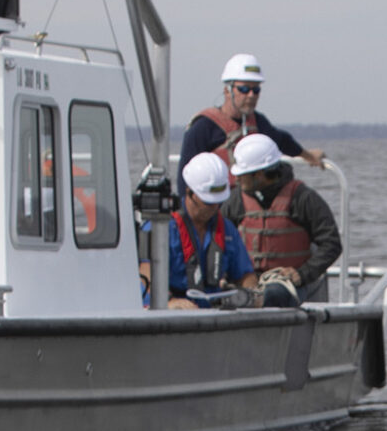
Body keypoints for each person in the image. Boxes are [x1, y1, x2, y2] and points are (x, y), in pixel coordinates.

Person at [143, 152, 292, 310]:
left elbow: (244, 275)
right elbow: (145, 275)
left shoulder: (227, 230)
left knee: (277, 295)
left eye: (218, 203)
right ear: (189, 192)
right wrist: (170, 303)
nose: (214, 208)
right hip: (173, 310)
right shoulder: (160, 228)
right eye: (207, 202)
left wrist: (251, 295)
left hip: (213, 309)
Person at [225, 133, 342, 301]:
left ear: (259, 174)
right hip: (246, 282)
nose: (236, 178)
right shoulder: (235, 200)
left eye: (242, 173)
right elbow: (217, 239)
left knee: (274, 294)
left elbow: (331, 244)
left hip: (290, 286)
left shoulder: (303, 198)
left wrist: (302, 274)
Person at [178, 53, 326, 181]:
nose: (251, 95)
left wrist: (308, 156)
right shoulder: (203, 128)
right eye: (244, 89)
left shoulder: (259, 123)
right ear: (227, 91)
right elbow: (185, 177)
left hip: (250, 206)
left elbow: (282, 140)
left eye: (256, 90)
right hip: (218, 207)